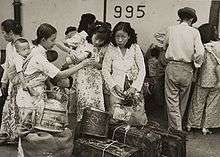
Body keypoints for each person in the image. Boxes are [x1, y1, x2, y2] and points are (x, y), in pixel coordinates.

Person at [16, 23, 96, 157]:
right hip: (28, 96)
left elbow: (42, 74)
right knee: (26, 131)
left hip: (35, 95)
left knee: (33, 129)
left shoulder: (38, 51)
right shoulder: (38, 55)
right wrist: (82, 64)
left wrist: (50, 86)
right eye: (52, 40)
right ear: (43, 40)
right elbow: (59, 75)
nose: (54, 43)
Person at [163, 7, 204, 131]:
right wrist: (196, 64)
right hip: (187, 68)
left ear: (180, 17)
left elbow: (165, 46)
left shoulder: (171, 29)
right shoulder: (194, 32)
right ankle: (177, 127)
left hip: (173, 66)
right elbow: (200, 53)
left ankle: (176, 130)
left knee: (171, 100)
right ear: (191, 19)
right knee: (182, 101)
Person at [102, 22, 148, 126]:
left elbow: (142, 70)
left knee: (137, 119)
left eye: (123, 36)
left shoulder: (135, 48)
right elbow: (105, 69)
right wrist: (113, 85)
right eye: (117, 36)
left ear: (129, 36)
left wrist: (134, 87)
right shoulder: (111, 49)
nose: (120, 40)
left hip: (133, 88)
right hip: (116, 89)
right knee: (117, 118)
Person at [187, 23, 220, 135]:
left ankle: (191, 124)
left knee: (197, 102)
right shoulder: (219, 46)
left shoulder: (201, 46)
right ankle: (206, 127)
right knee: (212, 103)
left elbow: (197, 62)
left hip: (203, 78)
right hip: (217, 79)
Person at [0, 19, 24, 142]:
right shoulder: (9, 46)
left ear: (10, 32)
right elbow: (8, 65)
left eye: (3, 33)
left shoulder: (24, 45)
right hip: (12, 83)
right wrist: (4, 81)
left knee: (19, 109)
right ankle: (6, 135)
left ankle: (18, 137)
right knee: (8, 109)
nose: (2, 35)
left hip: (22, 83)